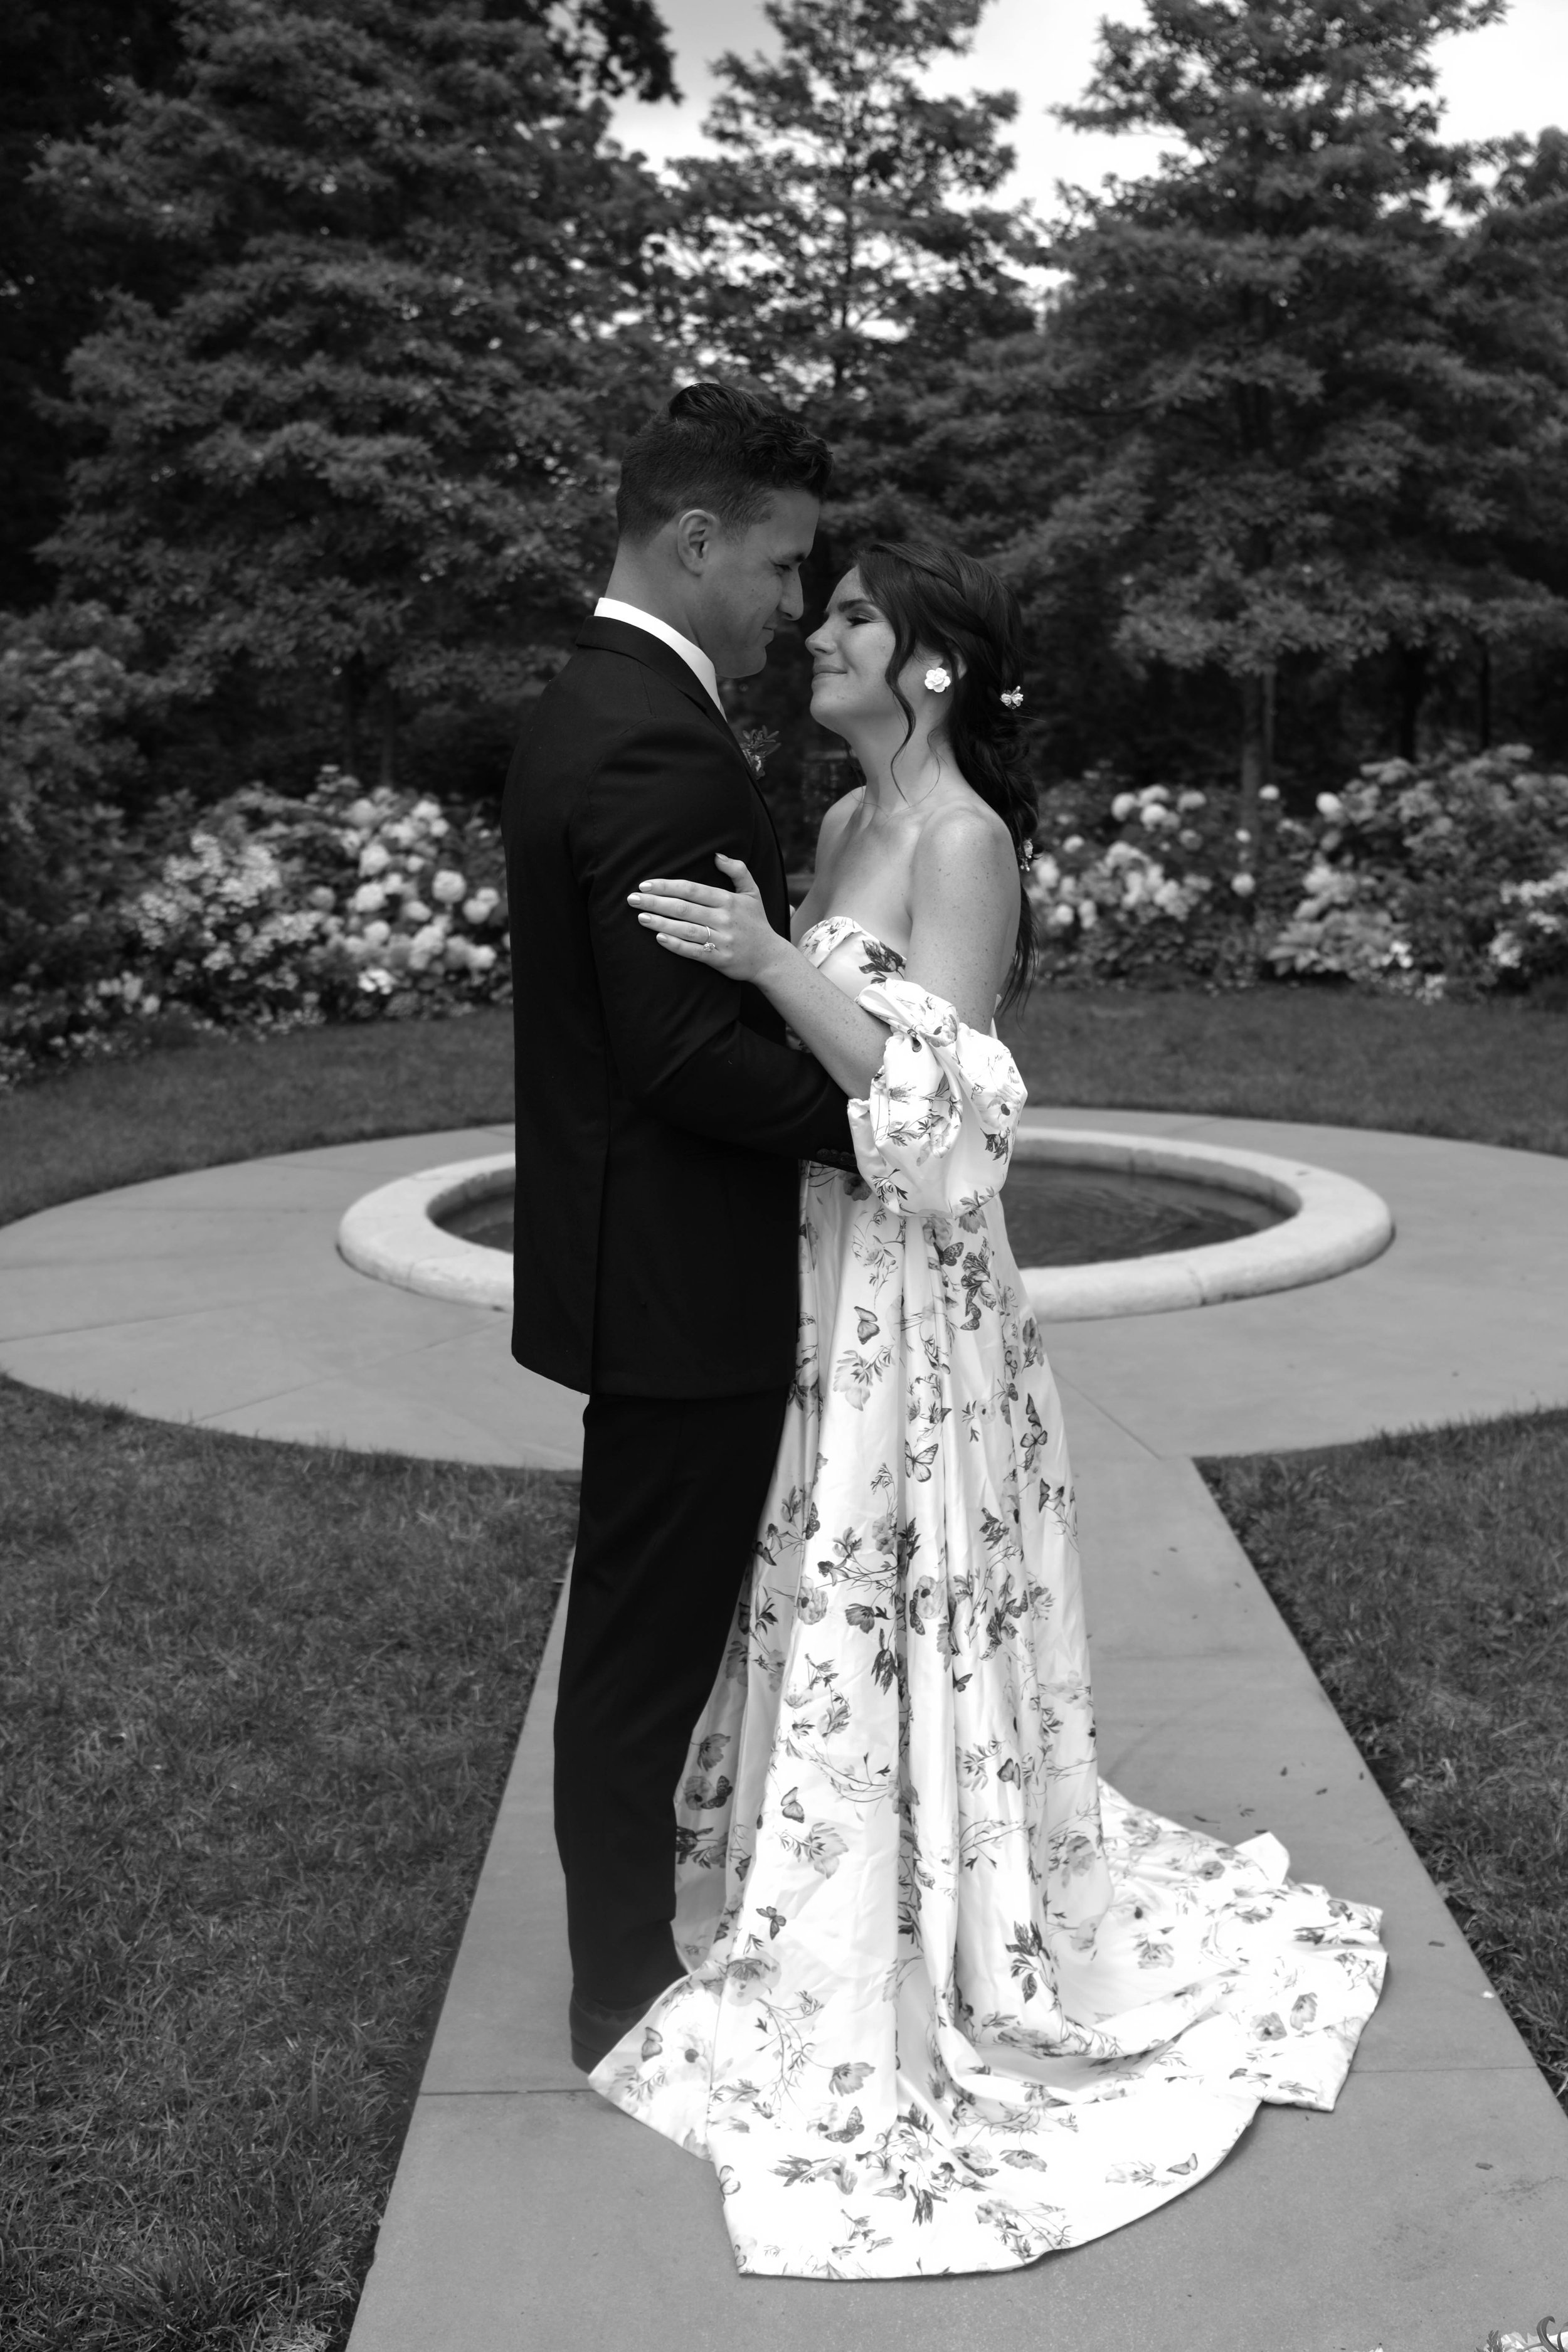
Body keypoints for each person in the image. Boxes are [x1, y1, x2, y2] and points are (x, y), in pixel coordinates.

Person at [597, 538, 1389, 2279]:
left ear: (934, 667)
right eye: (824, 609)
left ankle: (948, 1913)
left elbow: (944, 1103)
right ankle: (832, 1866)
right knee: (815, 1561)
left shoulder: (965, 844)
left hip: (917, 1287)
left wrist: (765, 960)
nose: (819, 635)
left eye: (855, 619)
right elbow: (814, 1069)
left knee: (904, 1566)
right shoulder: (835, 826)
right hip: (815, 1260)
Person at [500, 381, 853, 2074]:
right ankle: (620, 1988)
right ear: (698, 539)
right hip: (678, 1279)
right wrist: (883, 1123)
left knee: (644, 1630)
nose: (793, 604)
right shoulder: (656, 737)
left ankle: (629, 1953)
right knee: (646, 1648)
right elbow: (680, 1053)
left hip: (631, 1257)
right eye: (782, 567)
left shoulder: (596, 700)